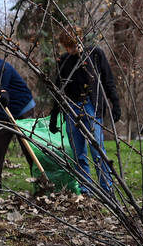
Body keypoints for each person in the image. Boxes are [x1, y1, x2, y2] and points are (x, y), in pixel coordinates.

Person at [50, 26, 121, 196]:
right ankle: (86, 189)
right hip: (71, 107)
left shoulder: (95, 55)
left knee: (97, 150)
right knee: (78, 152)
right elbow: (58, 89)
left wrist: (115, 102)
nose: (71, 50)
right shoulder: (64, 61)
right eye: (67, 47)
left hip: (91, 105)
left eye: (73, 46)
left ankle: (106, 189)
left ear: (80, 40)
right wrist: (54, 115)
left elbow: (108, 80)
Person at [0, 57, 36, 193]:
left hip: (23, 108)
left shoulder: (2, 68)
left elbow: (2, 96)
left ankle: (40, 181)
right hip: (6, 110)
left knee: (28, 147)